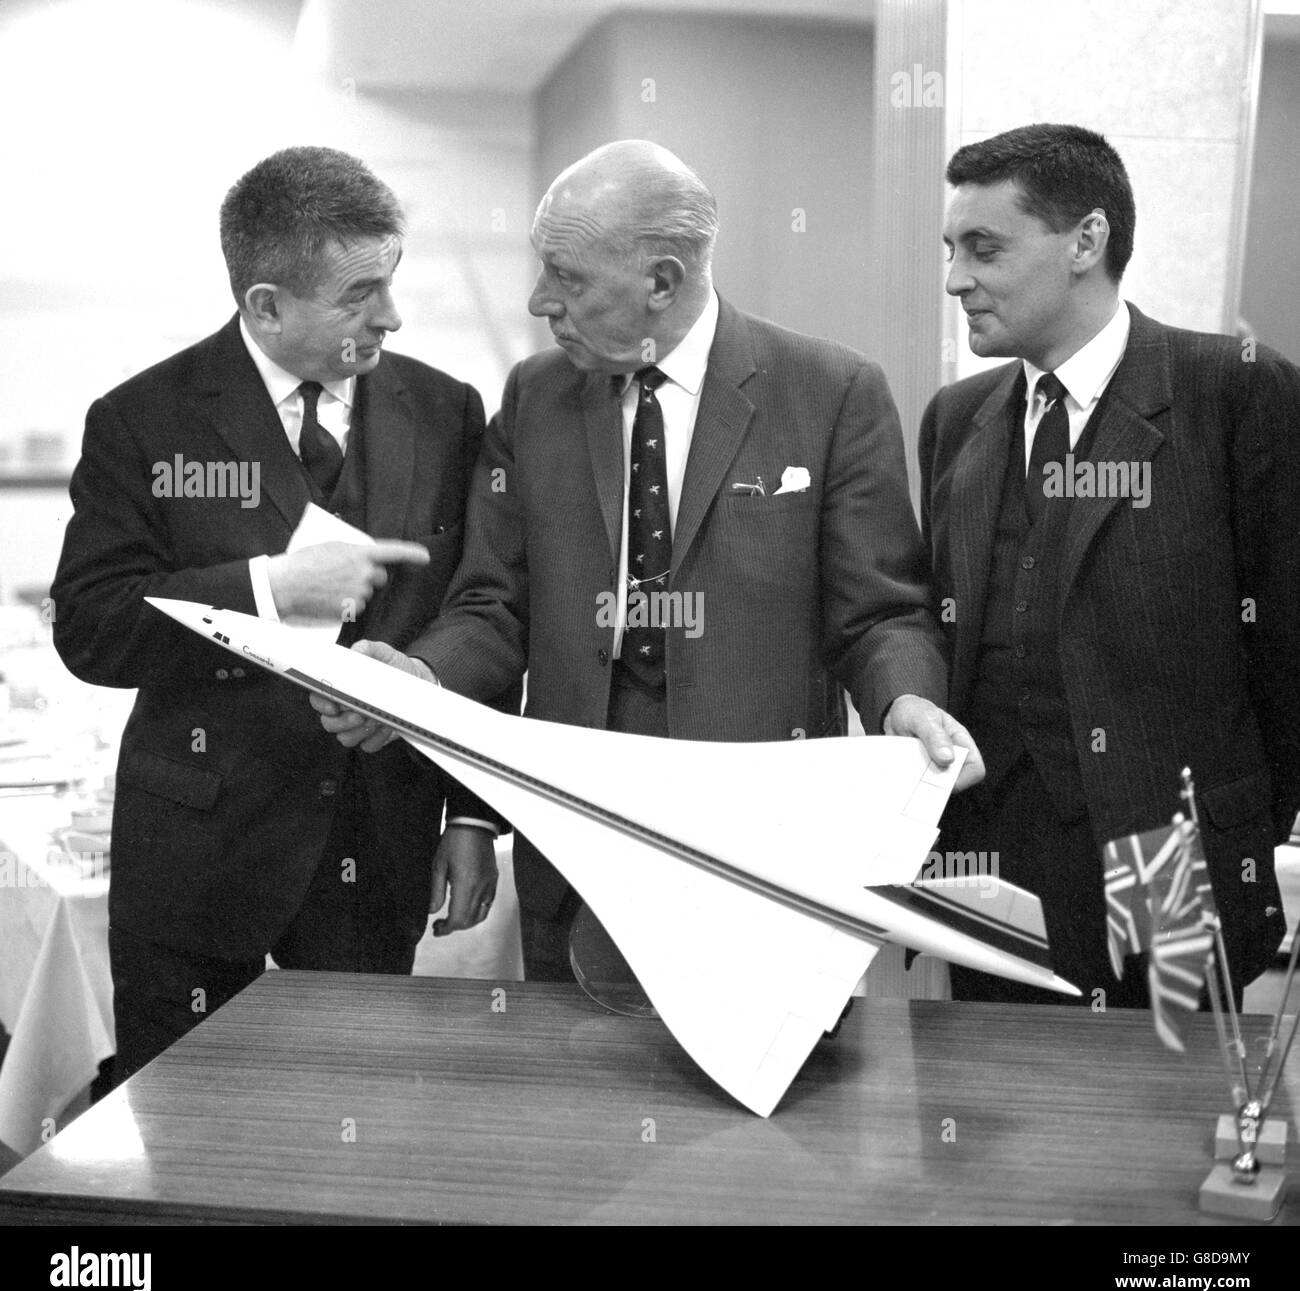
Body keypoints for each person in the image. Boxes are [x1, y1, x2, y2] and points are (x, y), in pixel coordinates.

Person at [315, 139, 981, 981]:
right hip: (578, 847)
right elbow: (493, 606)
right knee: (577, 1091)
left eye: (568, 277)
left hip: (763, 854)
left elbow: (879, 612)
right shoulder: (535, 398)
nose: (538, 300)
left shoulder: (829, 392)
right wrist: (421, 676)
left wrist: (907, 702)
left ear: (662, 283)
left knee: (768, 1106)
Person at [51, 146, 501, 1081]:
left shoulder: (446, 411)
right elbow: (91, 626)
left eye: (394, 280)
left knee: (350, 1143)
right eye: (359, 295)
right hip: (195, 861)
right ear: (266, 305)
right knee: (176, 1130)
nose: (392, 315)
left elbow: (478, 611)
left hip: (377, 851)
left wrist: (466, 816)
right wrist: (266, 589)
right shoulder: (143, 421)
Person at [924, 122, 1300, 1005]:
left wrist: (1238, 828)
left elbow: (1287, 646)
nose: (956, 280)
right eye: (951, 250)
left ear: (1086, 241)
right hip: (990, 862)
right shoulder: (955, 420)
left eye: (984, 249)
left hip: (1168, 856)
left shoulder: (1235, 392)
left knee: (1155, 1113)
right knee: (984, 1124)